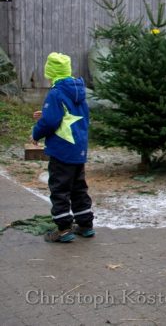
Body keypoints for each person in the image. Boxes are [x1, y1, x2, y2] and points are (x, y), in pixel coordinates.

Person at [31, 52, 94, 242]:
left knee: (59, 188)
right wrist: (47, 112)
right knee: (78, 187)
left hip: (62, 151)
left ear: (51, 72)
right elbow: (73, 114)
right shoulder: (78, 91)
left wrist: (36, 133)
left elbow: (51, 122)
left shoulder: (56, 92)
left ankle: (64, 229)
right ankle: (86, 225)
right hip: (78, 150)